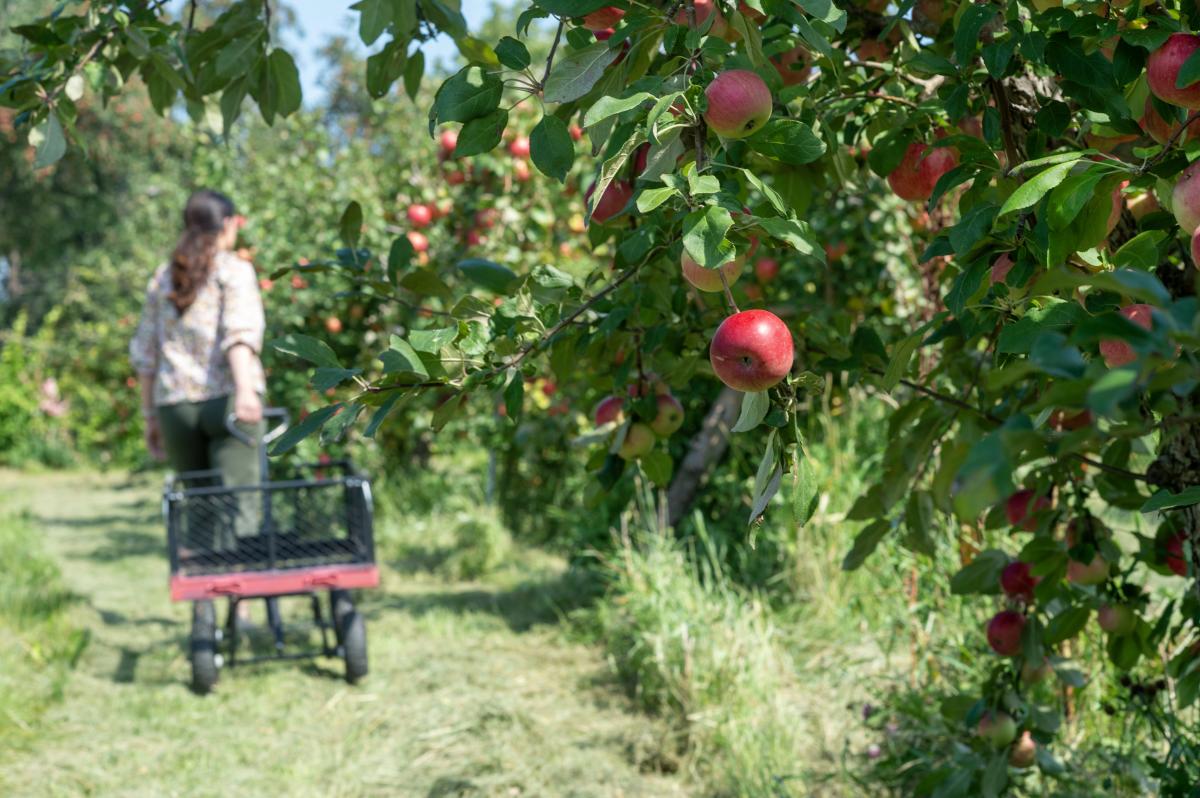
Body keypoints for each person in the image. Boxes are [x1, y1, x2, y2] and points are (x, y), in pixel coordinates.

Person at [130, 189, 266, 554]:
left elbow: (145, 354)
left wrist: (150, 416)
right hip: (227, 401)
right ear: (226, 224)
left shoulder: (164, 277)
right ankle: (242, 607)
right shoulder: (234, 270)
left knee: (199, 506)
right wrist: (246, 390)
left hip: (175, 406)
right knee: (242, 506)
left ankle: (203, 606)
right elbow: (239, 336)